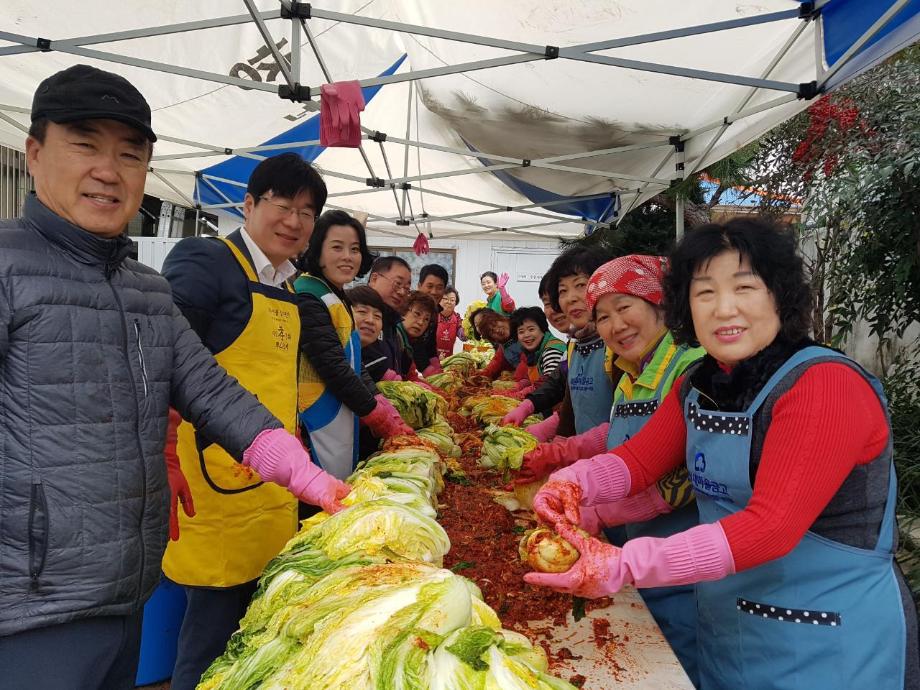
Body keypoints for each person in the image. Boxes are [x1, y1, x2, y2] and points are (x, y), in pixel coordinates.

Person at [0, 65, 347, 690]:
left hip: (127, 588)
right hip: (29, 610)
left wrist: (314, 482)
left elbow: (213, 394)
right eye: (85, 144)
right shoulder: (7, 268)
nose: (109, 170)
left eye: (130, 154)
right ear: (34, 153)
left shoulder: (146, 291)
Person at [528, 219, 919, 690]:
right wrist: (573, 482)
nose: (724, 308)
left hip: (828, 641)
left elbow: (770, 528)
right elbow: (638, 460)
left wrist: (625, 565)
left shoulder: (825, 385)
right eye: (704, 292)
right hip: (730, 628)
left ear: (780, 295)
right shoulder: (699, 385)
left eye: (745, 287)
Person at [160, 154, 351, 689]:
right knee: (211, 635)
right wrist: (163, 450)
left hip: (274, 483)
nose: (294, 222)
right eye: (283, 206)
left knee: (256, 639)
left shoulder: (291, 287)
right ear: (249, 204)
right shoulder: (205, 261)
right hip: (213, 480)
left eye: (307, 212)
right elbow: (165, 361)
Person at [519, 255, 704, 683]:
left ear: (660, 304)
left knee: (679, 664)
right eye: (604, 316)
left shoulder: (690, 368)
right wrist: (565, 451)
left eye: (625, 308)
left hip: (684, 552)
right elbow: (619, 433)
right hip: (641, 550)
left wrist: (605, 511)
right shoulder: (628, 370)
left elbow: (691, 476)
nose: (615, 325)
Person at [294, 210, 414, 483]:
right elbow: (333, 366)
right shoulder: (307, 294)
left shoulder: (337, 296)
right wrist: (375, 413)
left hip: (340, 413)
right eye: (337, 247)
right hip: (314, 416)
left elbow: (354, 363)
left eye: (355, 249)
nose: (348, 256)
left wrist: (379, 401)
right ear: (317, 250)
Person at [502, 247, 617, 439]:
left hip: (612, 461)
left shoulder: (617, 345)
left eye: (581, 285)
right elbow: (561, 390)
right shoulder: (575, 344)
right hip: (583, 457)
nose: (570, 298)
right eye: (563, 291)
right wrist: (528, 405)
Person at [367, 255, 413, 377]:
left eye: (407, 288)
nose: (402, 292)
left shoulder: (391, 322)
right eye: (397, 283)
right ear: (374, 279)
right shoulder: (358, 314)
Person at [509, 307, 566, 386]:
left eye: (531, 329)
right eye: (521, 332)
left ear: (542, 329)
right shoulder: (534, 353)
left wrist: (523, 392)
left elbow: (550, 385)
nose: (526, 335)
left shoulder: (551, 351)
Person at [413, 264, 450, 373]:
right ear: (419, 286)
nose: (434, 292)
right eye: (429, 286)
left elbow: (430, 345)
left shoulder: (435, 312)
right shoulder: (410, 308)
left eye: (439, 288)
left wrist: (436, 368)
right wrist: (428, 371)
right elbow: (415, 343)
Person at [349, 285, 388, 381]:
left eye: (377, 316)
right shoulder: (333, 355)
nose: (371, 320)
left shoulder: (376, 360)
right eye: (362, 311)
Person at [436, 286, 464, 358]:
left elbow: (463, 336)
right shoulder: (432, 316)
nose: (448, 302)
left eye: (452, 300)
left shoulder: (457, 318)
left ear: (456, 303)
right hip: (429, 360)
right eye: (445, 299)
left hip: (447, 361)